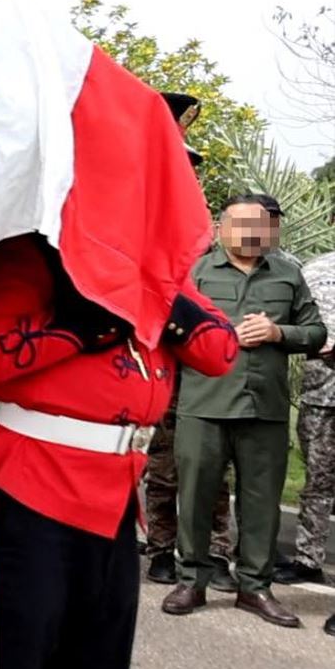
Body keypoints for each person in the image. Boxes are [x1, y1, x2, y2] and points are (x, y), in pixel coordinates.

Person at [0, 109, 238, 669]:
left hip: (115, 500)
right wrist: (105, 312)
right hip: (33, 489)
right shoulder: (31, 250)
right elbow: (3, 356)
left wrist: (143, 289)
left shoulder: (156, 272)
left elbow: (219, 349)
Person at [165, 194, 326, 627]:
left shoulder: (288, 274)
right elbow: (164, 326)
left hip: (265, 409)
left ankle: (254, 587)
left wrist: (278, 331)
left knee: (262, 504)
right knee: (196, 496)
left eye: (260, 225)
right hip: (204, 404)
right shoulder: (195, 272)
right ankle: (191, 580)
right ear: (221, 228)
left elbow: (315, 331)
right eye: (242, 224)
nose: (252, 234)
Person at [140, 93, 235, 588]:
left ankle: (210, 556)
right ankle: (158, 548)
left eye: (188, 165)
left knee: (210, 475)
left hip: (200, 382)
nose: (185, 175)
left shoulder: (200, 243)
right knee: (160, 466)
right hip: (148, 379)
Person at [276, 245, 335, 600]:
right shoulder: (312, 270)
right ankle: (307, 558)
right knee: (317, 482)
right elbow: (293, 323)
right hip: (320, 394)